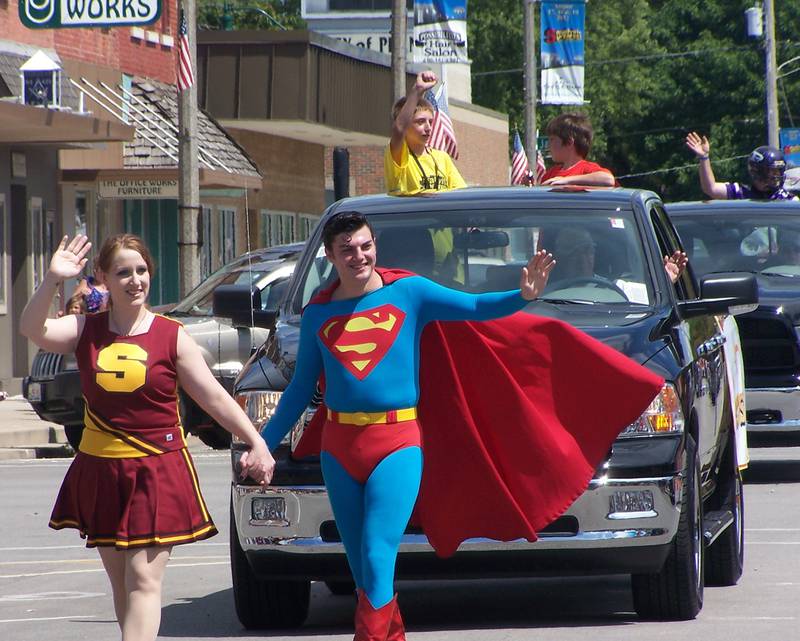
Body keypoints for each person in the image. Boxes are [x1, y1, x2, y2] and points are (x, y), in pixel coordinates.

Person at [260, 211, 663, 640]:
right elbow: (301, 387)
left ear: (375, 245)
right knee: (362, 572)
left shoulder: (409, 294)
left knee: (378, 556)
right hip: (339, 450)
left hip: (395, 444)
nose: (359, 256)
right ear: (330, 256)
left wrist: (521, 295)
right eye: (347, 250)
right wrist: (262, 443)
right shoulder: (319, 315)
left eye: (365, 246)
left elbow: (473, 308)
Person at [19, 234, 274, 641]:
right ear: (102, 277)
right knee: (123, 586)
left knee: (142, 579)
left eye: (141, 271)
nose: (134, 280)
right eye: (122, 272)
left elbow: (212, 397)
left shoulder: (171, 335)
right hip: (101, 471)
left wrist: (256, 440)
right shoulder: (86, 329)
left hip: (156, 468)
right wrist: (52, 279)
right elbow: (32, 328)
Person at [384, 70, 467, 282]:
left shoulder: (442, 158)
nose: (428, 127)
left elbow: (463, 198)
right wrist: (417, 90)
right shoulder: (399, 155)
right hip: (410, 258)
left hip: (448, 262)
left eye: (430, 121)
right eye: (420, 121)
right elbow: (399, 130)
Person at [685, 133, 799, 200]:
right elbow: (710, 188)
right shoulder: (741, 193)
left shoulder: (788, 200)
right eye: (772, 171)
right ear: (757, 172)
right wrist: (704, 157)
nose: (776, 176)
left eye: (778, 171)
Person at [537, 113, 616, 187]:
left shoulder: (586, 169)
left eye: (552, 139)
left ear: (569, 142)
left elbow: (608, 179)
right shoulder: (551, 174)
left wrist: (566, 180)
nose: (548, 145)